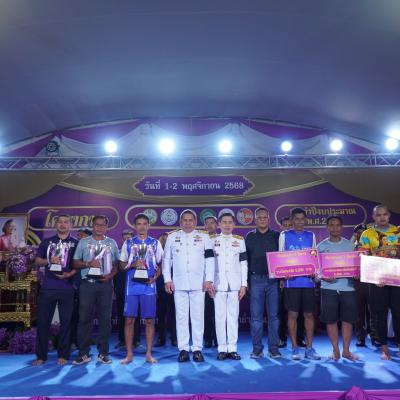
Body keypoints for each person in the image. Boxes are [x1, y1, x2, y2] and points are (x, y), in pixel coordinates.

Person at [163, 209, 214, 362]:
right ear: (180, 222)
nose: (187, 223)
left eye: (190, 220)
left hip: (199, 283)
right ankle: (183, 349)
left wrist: (209, 279)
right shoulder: (172, 237)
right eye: (184, 220)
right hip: (178, 284)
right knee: (181, 317)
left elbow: (210, 260)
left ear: (195, 222)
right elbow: (166, 260)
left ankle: (197, 349)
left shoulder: (204, 237)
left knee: (198, 317)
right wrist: (167, 280)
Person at [72, 215, 119, 365]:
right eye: (97, 225)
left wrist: (110, 276)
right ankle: (83, 353)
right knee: (84, 319)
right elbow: (75, 262)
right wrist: (88, 264)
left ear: (106, 227)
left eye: (102, 225)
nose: (99, 227)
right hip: (87, 284)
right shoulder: (83, 242)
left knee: (105, 319)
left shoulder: (111, 243)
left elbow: (117, 264)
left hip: (105, 285)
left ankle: (103, 353)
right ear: (92, 226)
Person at [32, 214, 78, 365]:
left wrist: (69, 274)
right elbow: (37, 261)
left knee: (66, 323)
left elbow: (79, 265)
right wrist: (49, 260)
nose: (63, 224)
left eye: (66, 222)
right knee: (43, 322)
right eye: (60, 222)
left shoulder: (76, 243)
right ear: (55, 224)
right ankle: (41, 356)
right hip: (48, 287)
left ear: (70, 225)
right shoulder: (47, 242)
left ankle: (63, 355)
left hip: (67, 288)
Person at [119, 214, 163, 364]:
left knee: (150, 321)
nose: (142, 226)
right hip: (131, 288)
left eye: (145, 224)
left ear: (149, 226)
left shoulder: (155, 243)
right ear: (135, 226)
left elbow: (160, 265)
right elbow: (121, 265)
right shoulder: (128, 243)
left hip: (148, 287)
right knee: (129, 321)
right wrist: (133, 264)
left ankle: (148, 354)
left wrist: (155, 278)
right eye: (139, 224)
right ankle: (129, 354)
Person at [360, 205, 400, 360]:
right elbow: (363, 257)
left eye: (385, 214)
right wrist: (374, 278)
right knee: (379, 314)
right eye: (378, 215)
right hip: (377, 281)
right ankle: (384, 348)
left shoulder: (397, 232)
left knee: (398, 313)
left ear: (389, 215)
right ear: (373, 216)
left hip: (396, 279)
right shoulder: (367, 234)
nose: (382, 218)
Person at [280, 207, 321, 360]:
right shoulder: (284, 235)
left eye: (302, 219)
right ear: (291, 220)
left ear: (306, 220)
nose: (299, 222)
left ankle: (309, 348)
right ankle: (295, 348)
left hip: (308, 282)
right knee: (292, 314)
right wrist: (284, 274)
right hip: (291, 283)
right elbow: (280, 257)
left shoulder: (311, 235)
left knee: (309, 315)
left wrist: (314, 273)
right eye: (296, 219)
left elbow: (314, 257)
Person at [317, 216, 358, 361]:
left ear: (342, 227)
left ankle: (346, 351)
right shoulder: (320, 246)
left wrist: (357, 273)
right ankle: (335, 351)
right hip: (328, 289)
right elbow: (316, 271)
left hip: (348, 288)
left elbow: (356, 267)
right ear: (327, 227)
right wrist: (323, 277)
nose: (335, 228)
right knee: (331, 321)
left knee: (348, 320)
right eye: (331, 225)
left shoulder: (350, 246)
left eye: (337, 225)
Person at [210, 213, 247, 360]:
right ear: (219, 224)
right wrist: (210, 283)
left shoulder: (240, 240)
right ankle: (221, 348)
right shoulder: (212, 240)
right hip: (218, 285)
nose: (227, 225)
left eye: (230, 222)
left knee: (233, 318)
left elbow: (243, 264)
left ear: (234, 224)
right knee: (220, 318)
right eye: (224, 222)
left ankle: (232, 348)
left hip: (235, 285)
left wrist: (244, 284)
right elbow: (208, 263)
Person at [245, 207, 281, 358]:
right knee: (256, 318)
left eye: (264, 217)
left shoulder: (277, 236)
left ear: (269, 219)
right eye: (259, 217)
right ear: (255, 220)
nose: (262, 220)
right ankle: (257, 349)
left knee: (274, 317)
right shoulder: (249, 237)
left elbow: (282, 258)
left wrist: (282, 278)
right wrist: (246, 282)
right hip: (255, 280)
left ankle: (274, 348)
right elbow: (245, 261)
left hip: (273, 281)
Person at [352, 223, 379, 347]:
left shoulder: (374, 247)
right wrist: (353, 273)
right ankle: (360, 338)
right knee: (358, 312)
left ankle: (375, 337)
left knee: (373, 311)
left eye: (364, 232)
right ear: (355, 234)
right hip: (357, 283)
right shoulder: (351, 247)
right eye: (359, 232)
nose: (362, 234)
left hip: (371, 282)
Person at [114, 229, 142, 349]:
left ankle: (136, 340)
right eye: (125, 238)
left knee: (136, 315)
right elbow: (114, 270)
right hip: (121, 288)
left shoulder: (139, 253)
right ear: (122, 240)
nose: (126, 240)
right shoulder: (118, 254)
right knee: (121, 314)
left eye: (129, 238)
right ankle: (122, 340)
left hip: (135, 287)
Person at [155, 232, 177, 347]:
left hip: (175, 287)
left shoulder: (176, 253)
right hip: (160, 287)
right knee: (161, 314)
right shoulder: (157, 255)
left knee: (174, 313)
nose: (166, 241)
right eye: (164, 240)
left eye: (168, 240)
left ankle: (175, 337)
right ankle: (161, 338)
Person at [203, 214, 218, 348]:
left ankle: (219, 338)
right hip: (204, 281)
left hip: (219, 280)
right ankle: (207, 338)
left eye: (212, 222)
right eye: (207, 223)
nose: (209, 225)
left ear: (217, 225)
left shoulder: (222, 239)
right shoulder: (200, 239)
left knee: (219, 312)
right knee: (206, 311)